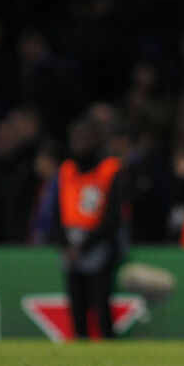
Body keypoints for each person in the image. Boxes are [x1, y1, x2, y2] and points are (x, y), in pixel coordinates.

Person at [54, 115, 128, 339]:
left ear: (97, 140)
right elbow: (57, 211)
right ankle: (80, 360)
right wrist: (65, 243)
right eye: (75, 138)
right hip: (71, 243)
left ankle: (109, 356)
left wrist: (84, 246)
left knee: (101, 307)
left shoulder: (110, 169)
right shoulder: (67, 170)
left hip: (99, 244)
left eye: (85, 137)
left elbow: (113, 217)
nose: (79, 143)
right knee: (77, 309)